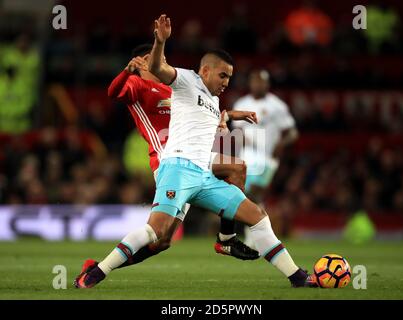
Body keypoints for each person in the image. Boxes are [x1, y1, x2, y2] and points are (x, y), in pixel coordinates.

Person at [74, 14, 316, 289]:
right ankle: (96, 272)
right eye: (223, 75)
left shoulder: (212, 100)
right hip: (175, 167)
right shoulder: (184, 80)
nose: (227, 82)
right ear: (205, 71)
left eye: (230, 77)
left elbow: (208, 116)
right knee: (158, 232)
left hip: (202, 174)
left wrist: (230, 116)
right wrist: (160, 41)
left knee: (256, 214)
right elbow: (158, 68)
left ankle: (295, 276)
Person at [231, 69, 299, 245]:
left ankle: (254, 236)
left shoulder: (277, 106)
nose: (257, 85)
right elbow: (235, 130)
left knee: (253, 193)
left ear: (267, 84)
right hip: (246, 157)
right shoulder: (242, 103)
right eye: (254, 81)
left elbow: (292, 133)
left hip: (267, 158)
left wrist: (281, 144)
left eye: (261, 82)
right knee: (251, 197)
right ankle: (259, 235)